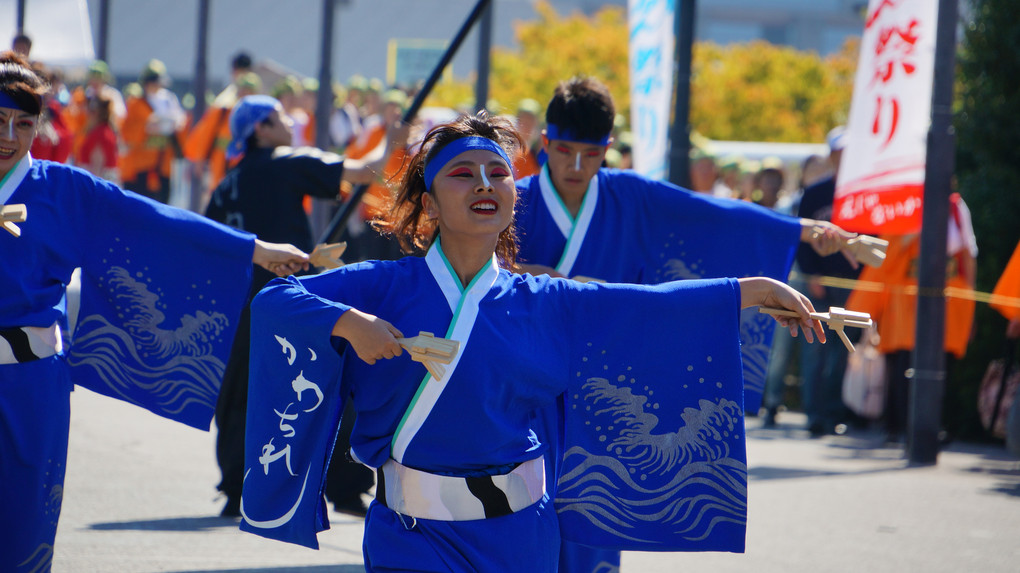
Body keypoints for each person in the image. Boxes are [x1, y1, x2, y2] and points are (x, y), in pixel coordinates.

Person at [237, 113, 825, 570]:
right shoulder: (385, 286)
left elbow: (644, 308)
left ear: (515, 197)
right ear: (430, 204)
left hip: (520, 538)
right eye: (462, 175)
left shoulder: (547, 301)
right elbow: (276, 301)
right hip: (410, 536)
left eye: (498, 174)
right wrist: (349, 324)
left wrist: (746, 290)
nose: (486, 184)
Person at [513, 76, 861, 573]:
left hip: (606, 381)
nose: (574, 166)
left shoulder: (630, 195)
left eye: (589, 154)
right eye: (562, 150)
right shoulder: (512, 201)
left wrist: (800, 230)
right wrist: (522, 276)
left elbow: (710, 215)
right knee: (526, 516)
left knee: (598, 508)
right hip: (528, 377)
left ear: (608, 149)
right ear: (544, 143)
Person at [0, 51, 309, 573]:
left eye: (23, 123)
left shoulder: (63, 190)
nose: (9, 135)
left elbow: (152, 222)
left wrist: (249, 249)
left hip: (30, 383)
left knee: (23, 530)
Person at [204, 94, 409, 517]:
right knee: (328, 380)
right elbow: (360, 172)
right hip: (292, 300)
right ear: (261, 129)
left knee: (242, 392)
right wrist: (390, 143)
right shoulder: (285, 161)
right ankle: (346, 487)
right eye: (279, 118)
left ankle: (237, 485)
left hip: (242, 304)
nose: (288, 125)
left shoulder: (228, 183)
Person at [847, 192, 978, 444]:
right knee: (901, 363)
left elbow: (968, 254)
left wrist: (970, 303)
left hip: (948, 299)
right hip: (905, 299)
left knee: (941, 364)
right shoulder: (904, 203)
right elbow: (885, 253)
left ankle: (931, 427)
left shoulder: (956, 206)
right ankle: (897, 426)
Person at [796, 126, 862, 436]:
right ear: (831, 155)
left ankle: (836, 411)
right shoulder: (815, 193)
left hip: (855, 285)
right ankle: (814, 414)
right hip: (820, 282)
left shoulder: (863, 192)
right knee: (815, 350)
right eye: (839, 152)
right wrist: (811, 275)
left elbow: (869, 239)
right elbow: (801, 239)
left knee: (844, 349)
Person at [184, 56, 262, 194]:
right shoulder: (224, 105)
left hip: (247, 163)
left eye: (250, 91)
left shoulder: (260, 111)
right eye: (243, 90)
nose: (246, 94)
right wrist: (199, 159)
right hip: (222, 162)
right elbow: (207, 131)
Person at [121, 59, 187, 204]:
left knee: (162, 205)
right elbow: (127, 132)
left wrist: (172, 123)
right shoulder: (136, 103)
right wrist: (148, 125)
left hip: (163, 164)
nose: (156, 86)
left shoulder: (169, 100)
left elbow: (180, 122)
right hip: (140, 166)